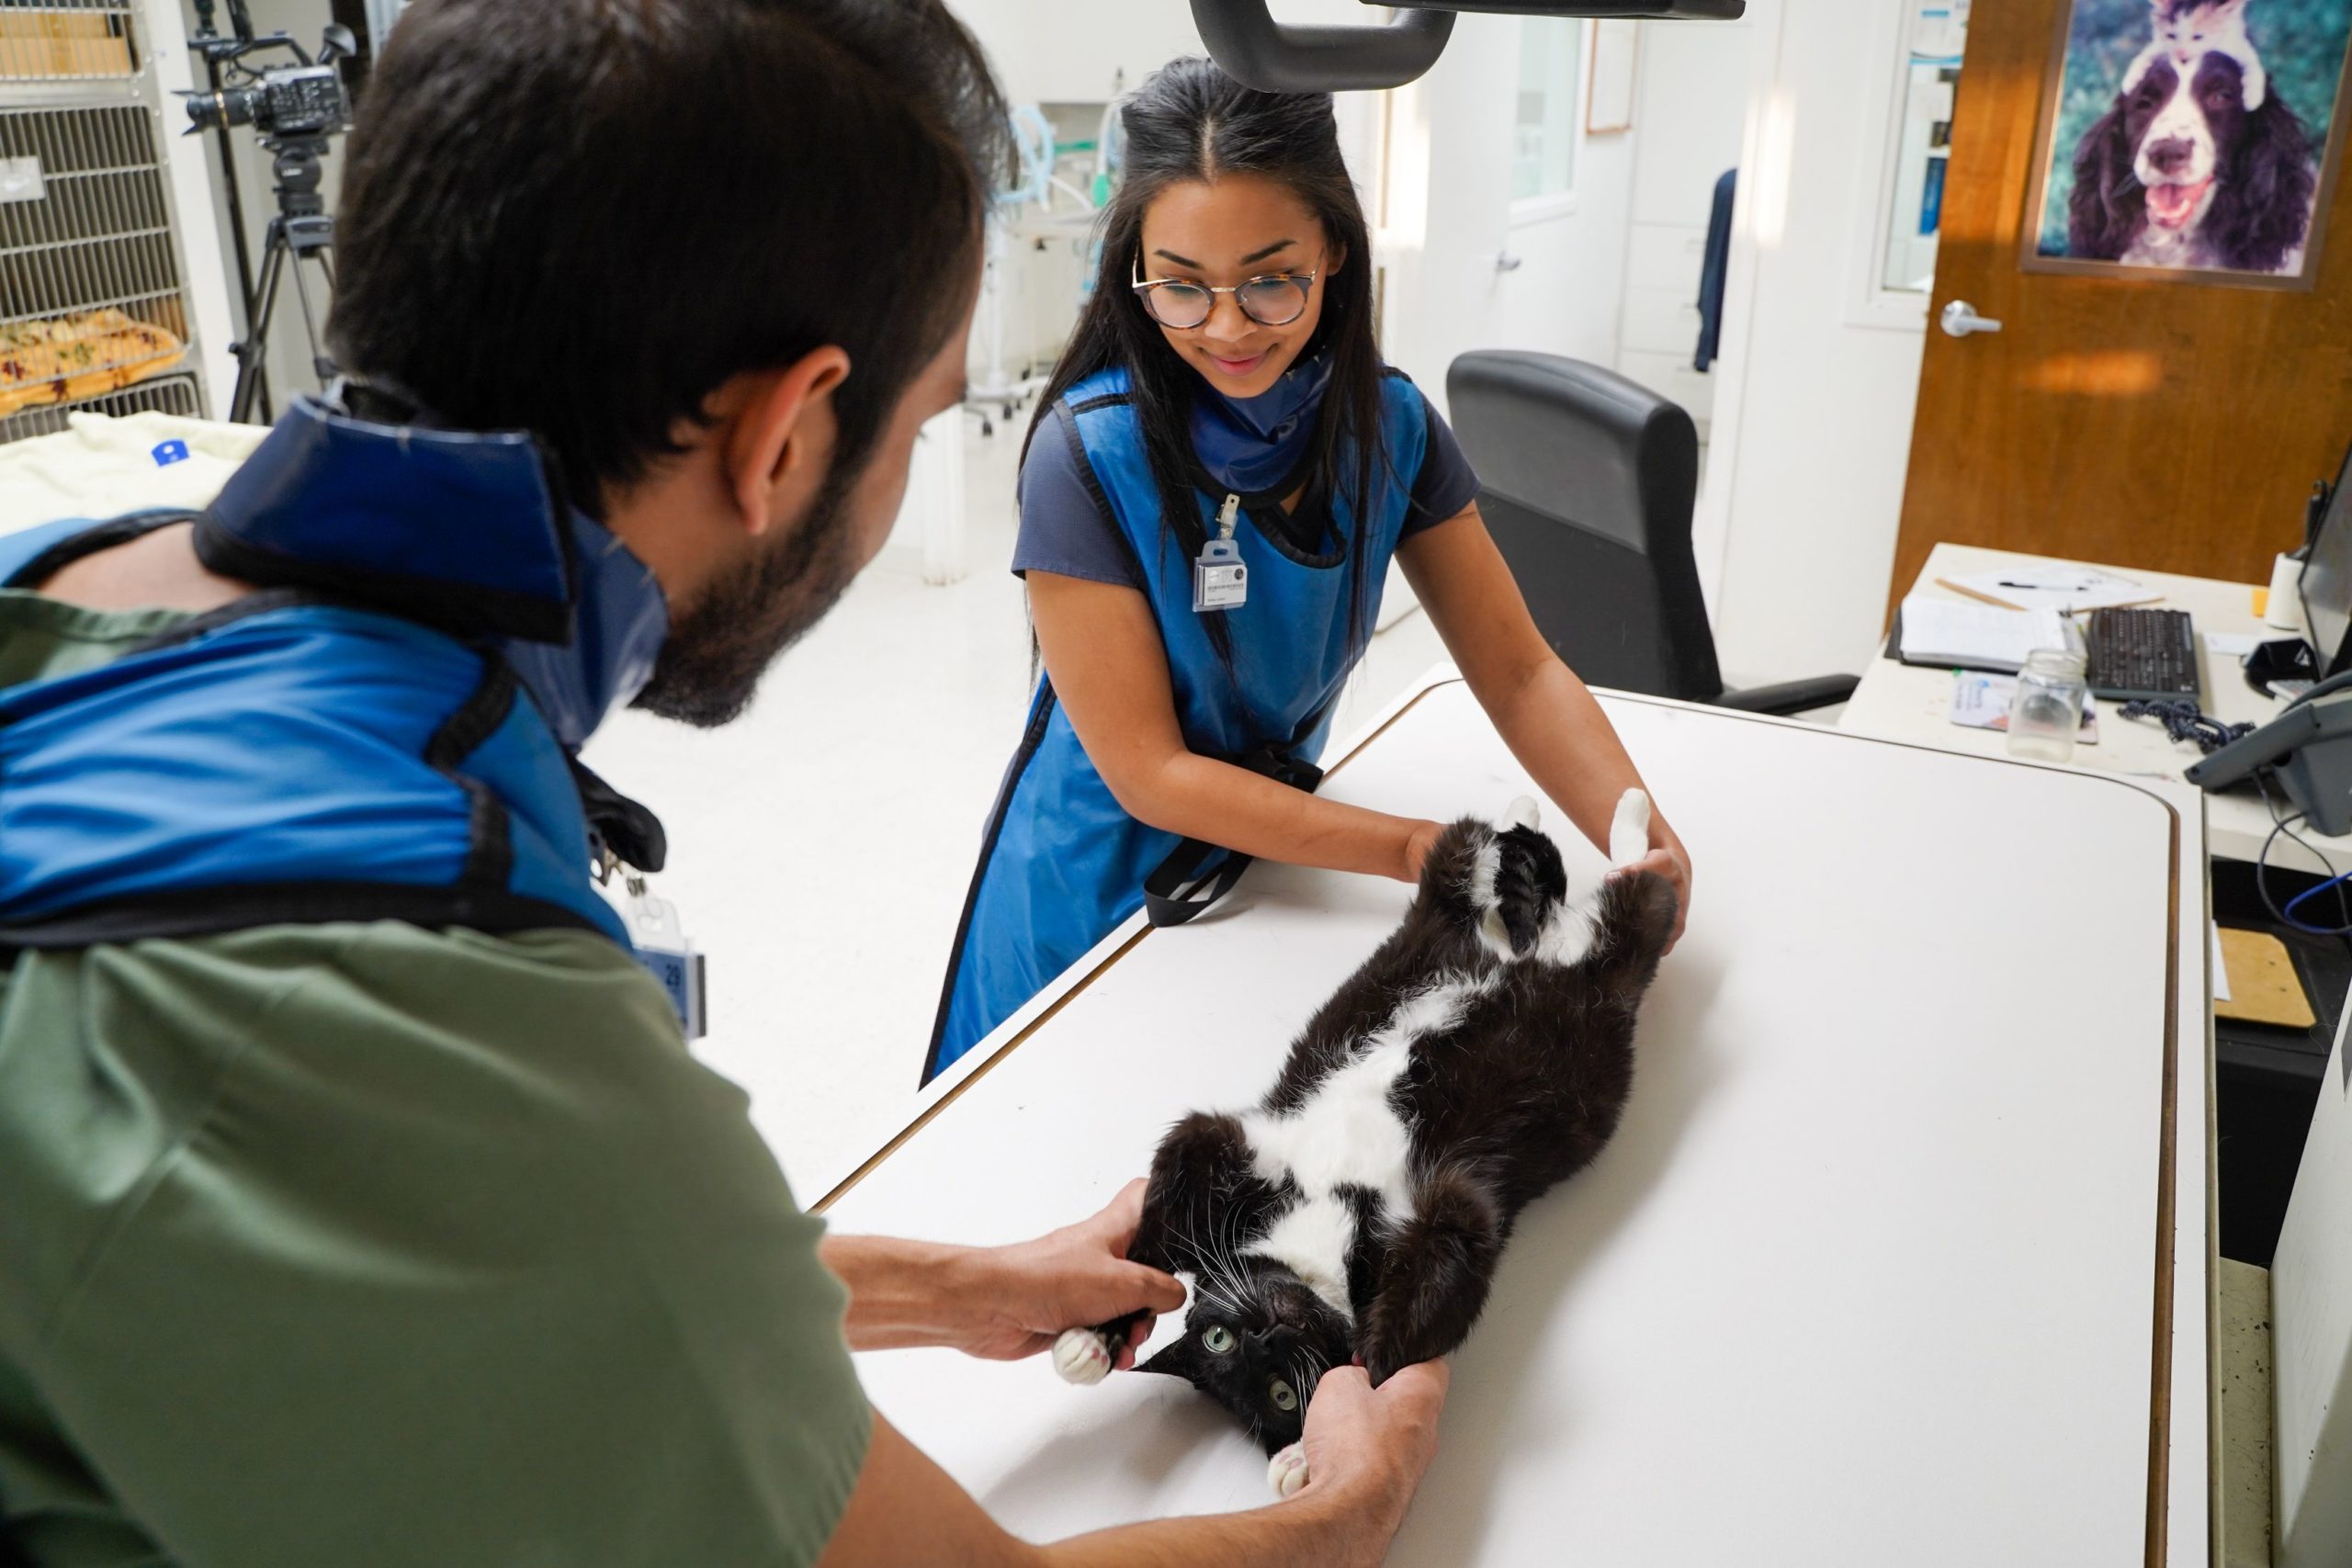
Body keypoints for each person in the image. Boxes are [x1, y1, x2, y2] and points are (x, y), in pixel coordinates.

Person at [0, 3, 1446, 1563]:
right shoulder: (424, 988)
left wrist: (956, 1287)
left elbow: (508, 1251)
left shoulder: (80, 590)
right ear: (783, 432)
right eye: (917, 420)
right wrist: (1349, 1513)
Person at [926, 59, 1695, 1079]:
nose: (1229, 327)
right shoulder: (1087, 455)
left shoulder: (1391, 429)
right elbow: (1149, 772)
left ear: (1332, 247)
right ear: (1132, 273)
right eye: (1181, 289)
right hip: (1086, 904)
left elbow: (1517, 670)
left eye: (1269, 278)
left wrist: (1637, 832)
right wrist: (1413, 849)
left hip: (1264, 870)